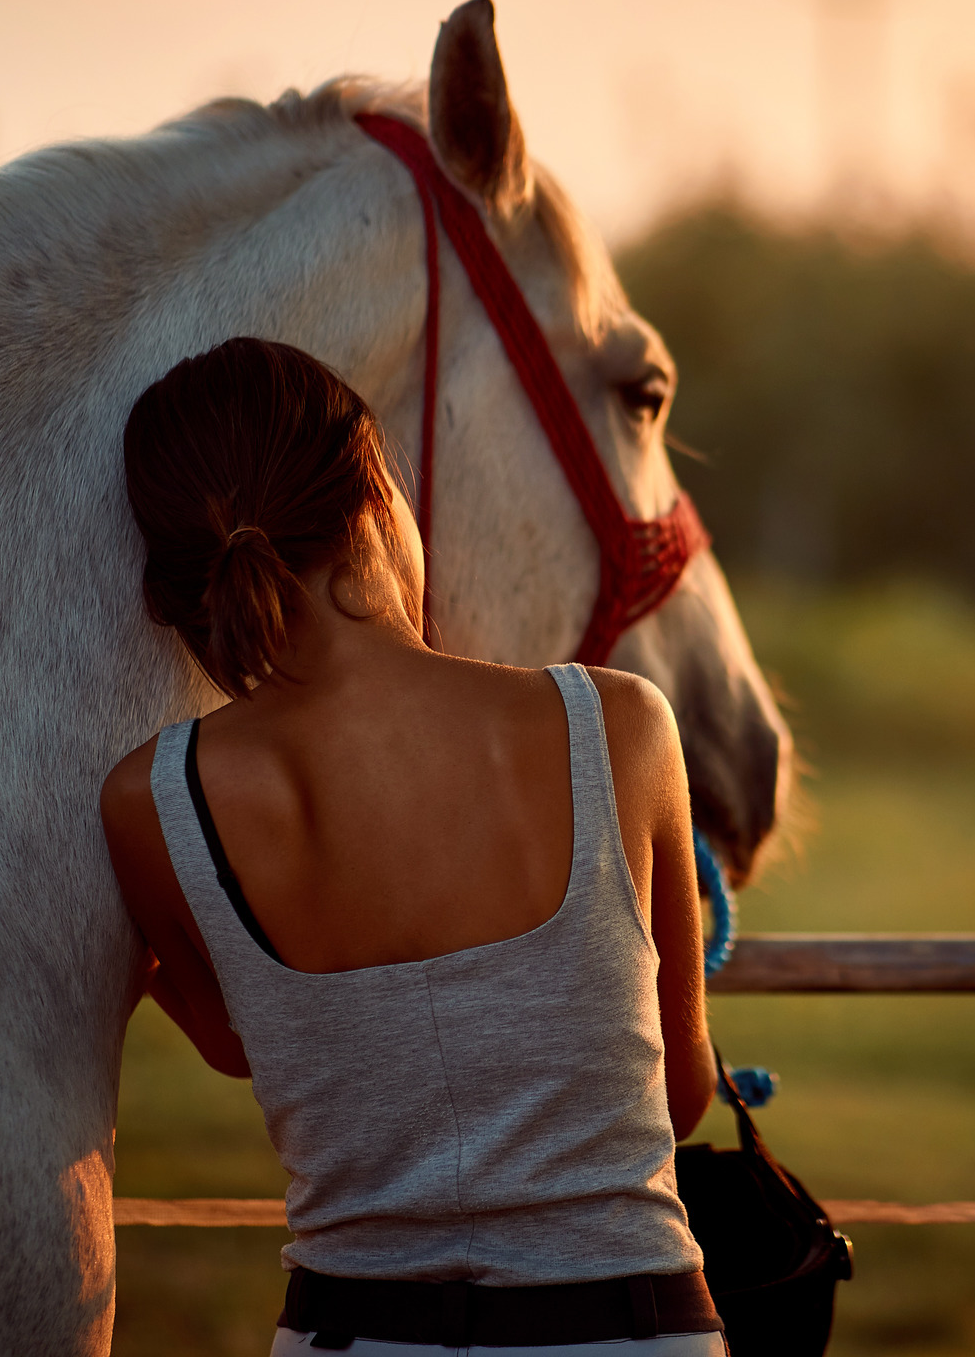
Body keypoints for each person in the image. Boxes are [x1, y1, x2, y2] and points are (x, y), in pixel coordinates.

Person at [99, 337, 723, 1355]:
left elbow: (234, 1041)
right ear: (376, 501)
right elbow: (681, 1098)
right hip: (623, 1325)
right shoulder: (613, 726)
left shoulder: (151, 802)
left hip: (351, 1329)